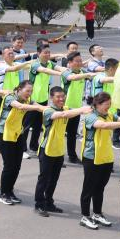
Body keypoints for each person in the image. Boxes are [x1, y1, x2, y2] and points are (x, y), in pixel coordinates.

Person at [33, 84, 91, 216]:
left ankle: (49, 202)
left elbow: (69, 112)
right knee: (44, 179)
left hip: (59, 150)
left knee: (53, 179)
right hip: (47, 150)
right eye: (58, 97)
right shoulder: (48, 111)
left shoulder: (66, 108)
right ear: (51, 98)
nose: (61, 99)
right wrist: (82, 109)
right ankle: (39, 204)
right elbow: (63, 114)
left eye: (63, 96)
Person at [79, 93, 120, 230]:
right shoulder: (90, 116)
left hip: (106, 157)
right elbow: (103, 125)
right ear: (97, 104)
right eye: (106, 104)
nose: (109, 106)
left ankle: (97, 213)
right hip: (92, 157)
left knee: (100, 188)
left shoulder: (109, 114)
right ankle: (85, 216)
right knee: (88, 188)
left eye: (110, 104)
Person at [0, 78, 46, 205]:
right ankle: (3, 193)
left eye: (31, 91)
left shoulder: (28, 100)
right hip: (4, 134)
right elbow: (20, 106)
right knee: (9, 165)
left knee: (17, 165)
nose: (29, 93)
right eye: (27, 91)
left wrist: (53, 109)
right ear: (19, 89)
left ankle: (10, 191)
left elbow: (41, 107)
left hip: (17, 134)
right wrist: (37, 108)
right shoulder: (10, 98)